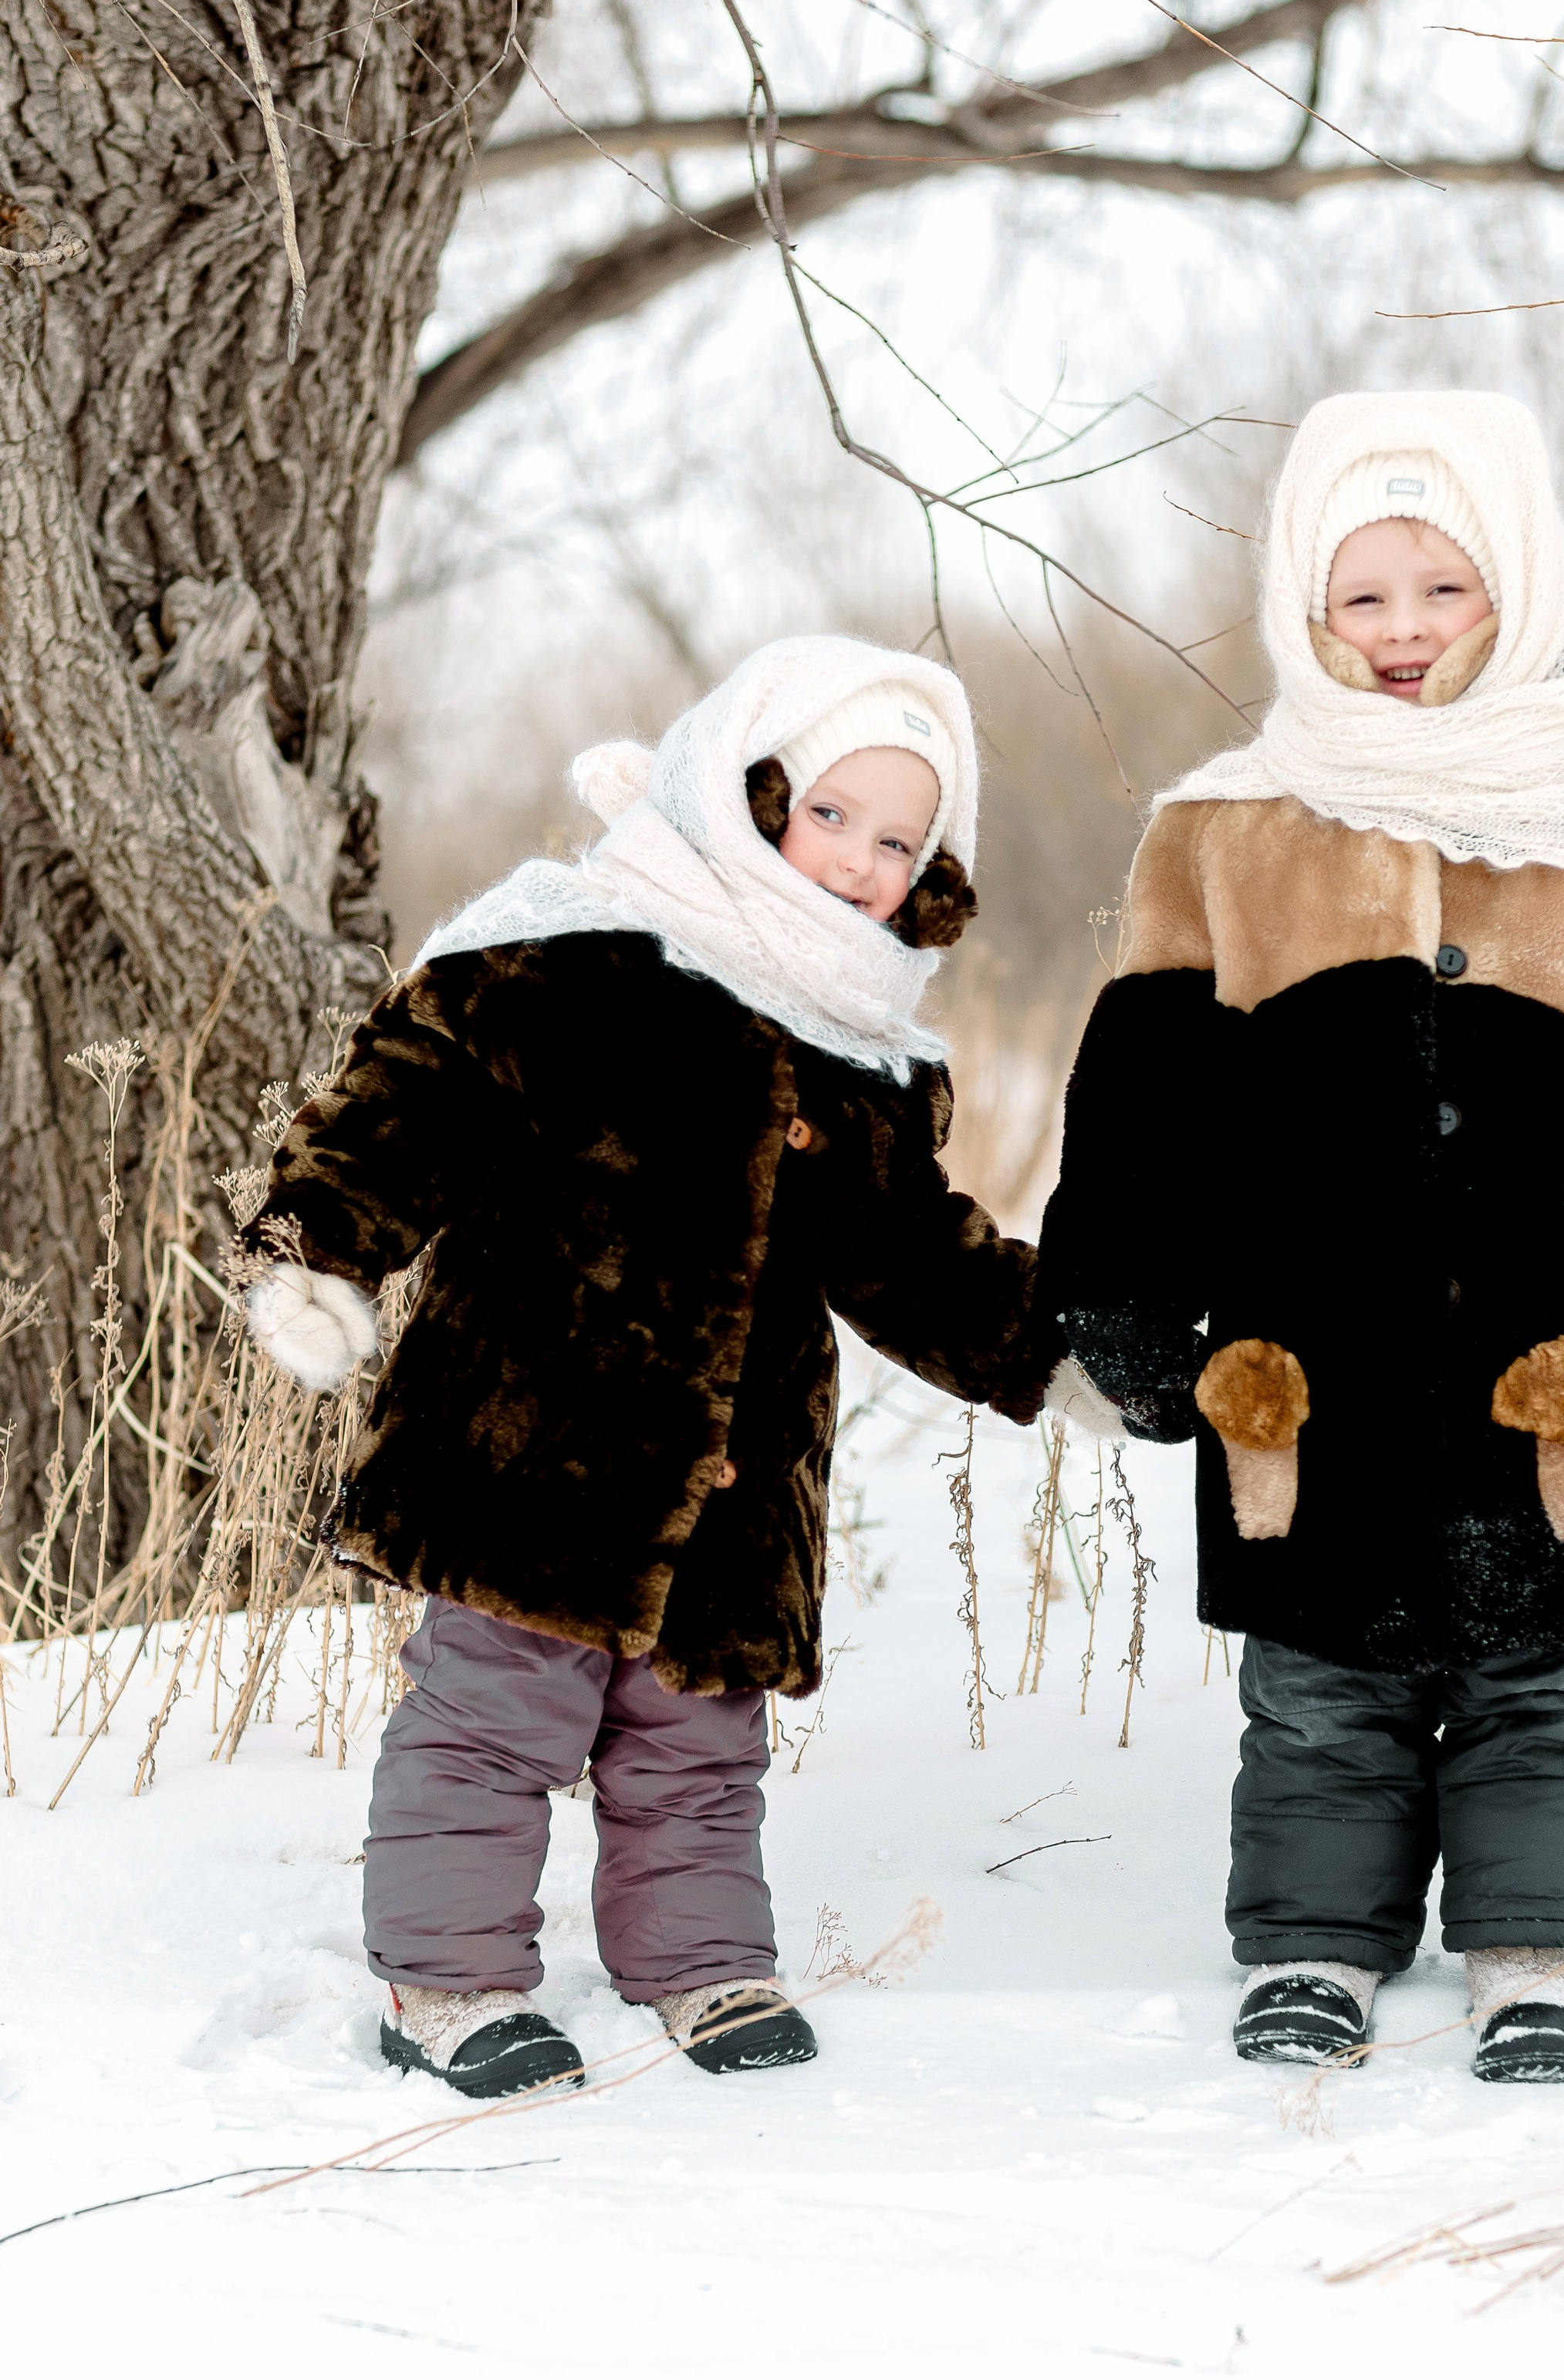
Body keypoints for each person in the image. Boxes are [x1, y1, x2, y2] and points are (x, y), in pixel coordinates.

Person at [1039, 390, 1564, 2084]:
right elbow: (1145, 1089)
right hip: (1306, 1351)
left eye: (1441, 590)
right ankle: (1314, 1946)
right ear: (1304, 612)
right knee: (1318, 1677)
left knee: (1549, 1678)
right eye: (1361, 596)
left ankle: (1535, 1949)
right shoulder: (1226, 823)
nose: (1399, 633)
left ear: (1521, 589)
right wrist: (1122, 1297)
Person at [244, 637, 1055, 2099]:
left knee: (696, 1741)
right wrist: (318, 1250)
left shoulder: (864, 1056)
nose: (861, 864)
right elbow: (410, 1091)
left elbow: (911, 1257)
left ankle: (698, 1964)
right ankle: (447, 1980)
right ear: (745, 788)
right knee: (494, 1722)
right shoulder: (571, 951)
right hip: (529, 1447)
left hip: (737, 1483)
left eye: (899, 842)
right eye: (831, 815)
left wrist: (1047, 1353)